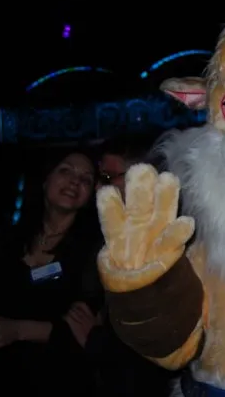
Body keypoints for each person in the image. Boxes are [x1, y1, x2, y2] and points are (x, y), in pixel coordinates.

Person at [0, 150, 103, 397]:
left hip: (58, 380)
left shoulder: (94, 250)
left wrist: (17, 330)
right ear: (45, 180)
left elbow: (81, 329)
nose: (75, 181)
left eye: (86, 179)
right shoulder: (5, 239)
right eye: (66, 171)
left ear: (89, 196)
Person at [87, 133, 178, 397]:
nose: (98, 187)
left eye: (108, 178)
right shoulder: (101, 231)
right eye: (99, 177)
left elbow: (161, 338)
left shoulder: (169, 237)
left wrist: (94, 340)